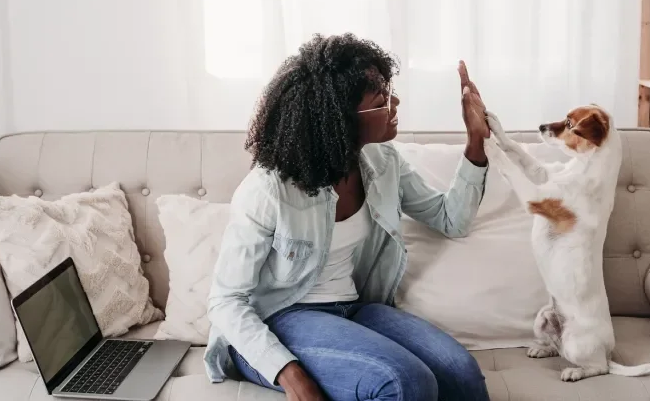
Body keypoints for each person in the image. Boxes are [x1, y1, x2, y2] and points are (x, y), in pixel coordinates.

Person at [204, 33, 492, 401]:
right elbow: (226, 302)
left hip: (353, 308)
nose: (396, 102)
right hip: (278, 320)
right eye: (382, 100)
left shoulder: (383, 163)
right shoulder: (268, 189)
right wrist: (293, 376)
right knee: (407, 383)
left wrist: (475, 142)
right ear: (341, 119)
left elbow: (452, 219)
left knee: (461, 375)